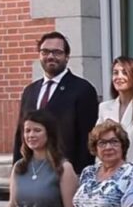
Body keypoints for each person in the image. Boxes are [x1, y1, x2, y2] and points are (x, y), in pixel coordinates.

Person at [12, 31, 99, 173]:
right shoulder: (30, 91)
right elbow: (20, 135)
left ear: (67, 57)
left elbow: (87, 139)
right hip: (33, 171)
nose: (50, 56)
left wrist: (80, 175)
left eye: (57, 52)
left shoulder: (83, 90)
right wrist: (17, 171)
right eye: (45, 52)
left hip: (65, 172)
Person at [97, 57, 133, 162]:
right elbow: (98, 142)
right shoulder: (104, 108)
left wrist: (128, 169)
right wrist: (101, 168)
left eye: (125, 73)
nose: (119, 77)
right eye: (115, 73)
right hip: (108, 169)